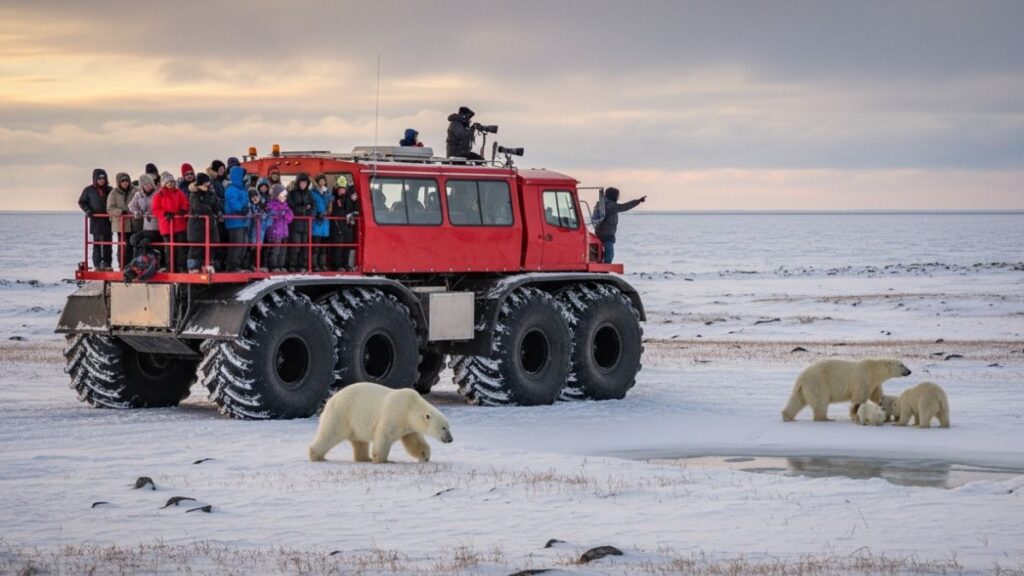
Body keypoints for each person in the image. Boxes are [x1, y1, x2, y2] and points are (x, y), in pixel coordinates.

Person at [594, 187, 646, 264]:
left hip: (599, 232)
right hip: (607, 234)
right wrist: (638, 201)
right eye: (617, 196)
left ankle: (600, 265)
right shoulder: (610, 205)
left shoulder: (602, 204)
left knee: (599, 253)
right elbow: (624, 207)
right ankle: (606, 267)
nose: (618, 198)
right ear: (613, 196)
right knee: (609, 254)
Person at [151, 172, 189, 272]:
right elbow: (155, 209)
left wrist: (183, 210)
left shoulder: (179, 192)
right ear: (164, 183)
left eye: (172, 181)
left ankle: (181, 267)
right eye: (169, 182)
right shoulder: (159, 195)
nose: (171, 184)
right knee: (169, 249)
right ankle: (171, 268)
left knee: (181, 247)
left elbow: (186, 203)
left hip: (180, 224)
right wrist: (165, 213)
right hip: (167, 225)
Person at [78, 168, 113, 270]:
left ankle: (107, 264)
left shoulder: (110, 190)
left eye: (103, 178)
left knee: (108, 243)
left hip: (108, 220)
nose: (102, 180)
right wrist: (87, 210)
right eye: (99, 178)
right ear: (95, 179)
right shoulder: (89, 190)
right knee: (97, 243)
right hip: (95, 220)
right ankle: (97, 264)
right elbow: (82, 202)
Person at [186, 173, 221, 273]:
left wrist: (219, 212)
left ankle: (207, 265)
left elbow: (216, 204)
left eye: (208, 182)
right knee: (197, 247)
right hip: (197, 225)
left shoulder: (210, 193)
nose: (208, 184)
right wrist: (210, 210)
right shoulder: (194, 194)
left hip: (209, 224)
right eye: (206, 182)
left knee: (210, 246)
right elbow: (198, 207)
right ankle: (193, 268)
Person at [128, 173, 163, 264]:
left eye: (150, 184)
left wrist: (153, 213)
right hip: (144, 226)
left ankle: (149, 261)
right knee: (134, 239)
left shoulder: (157, 194)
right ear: (142, 186)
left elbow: (161, 207)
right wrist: (136, 212)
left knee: (144, 242)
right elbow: (131, 205)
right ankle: (137, 263)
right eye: (145, 185)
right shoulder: (139, 194)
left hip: (156, 225)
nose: (148, 186)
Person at [106, 172, 137, 268]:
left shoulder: (135, 191)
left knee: (133, 245)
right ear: (119, 182)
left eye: (127, 180)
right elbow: (110, 209)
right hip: (121, 225)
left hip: (134, 223)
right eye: (122, 181)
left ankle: (133, 266)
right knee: (123, 247)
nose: (125, 183)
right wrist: (120, 212)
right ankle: (122, 265)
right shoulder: (113, 193)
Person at [223, 165, 250, 272]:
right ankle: (232, 266)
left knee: (244, 244)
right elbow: (233, 201)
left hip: (243, 220)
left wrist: (246, 209)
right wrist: (241, 209)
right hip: (234, 221)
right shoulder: (231, 189)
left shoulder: (242, 189)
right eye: (243, 175)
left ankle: (239, 265)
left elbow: (246, 201)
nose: (245, 177)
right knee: (237, 244)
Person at [286, 172, 314, 271]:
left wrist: (309, 211)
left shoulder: (309, 194)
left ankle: (303, 265)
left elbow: (313, 206)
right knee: (295, 245)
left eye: (305, 183)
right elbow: (290, 206)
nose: (303, 185)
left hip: (306, 224)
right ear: (298, 183)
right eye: (301, 183)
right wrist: (304, 209)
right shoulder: (292, 193)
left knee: (305, 246)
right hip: (295, 224)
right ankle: (292, 265)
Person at [329, 176, 357, 271]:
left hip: (347, 226)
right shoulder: (334, 199)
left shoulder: (349, 198)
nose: (342, 191)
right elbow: (334, 212)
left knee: (347, 246)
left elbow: (350, 210)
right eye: (340, 189)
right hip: (337, 226)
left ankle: (346, 265)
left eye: (343, 189)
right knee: (338, 247)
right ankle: (337, 266)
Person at [265, 184, 293, 272]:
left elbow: (290, 216)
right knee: (275, 249)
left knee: (283, 250)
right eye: (282, 195)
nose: (284, 197)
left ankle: (281, 265)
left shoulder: (285, 205)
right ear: (276, 195)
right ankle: (273, 266)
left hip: (284, 231)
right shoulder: (271, 204)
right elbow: (271, 214)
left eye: (285, 196)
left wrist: (284, 214)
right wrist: (280, 214)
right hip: (275, 230)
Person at [310, 174, 332, 271]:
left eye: (323, 181)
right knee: (316, 246)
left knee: (323, 247)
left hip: (325, 223)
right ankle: (314, 264)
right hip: (316, 222)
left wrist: (328, 211)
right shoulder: (312, 193)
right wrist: (316, 214)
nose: (322, 183)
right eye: (320, 181)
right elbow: (312, 206)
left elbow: (330, 206)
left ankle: (322, 264)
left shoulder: (328, 193)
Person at [246, 189, 270, 271]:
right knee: (253, 245)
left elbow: (268, 213)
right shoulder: (250, 206)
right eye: (252, 197)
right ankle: (253, 264)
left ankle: (259, 265)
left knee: (260, 246)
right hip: (253, 229)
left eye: (256, 196)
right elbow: (249, 215)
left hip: (262, 228)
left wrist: (261, 215)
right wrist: (253, 216)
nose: (255, 199)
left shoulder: (263, 204)